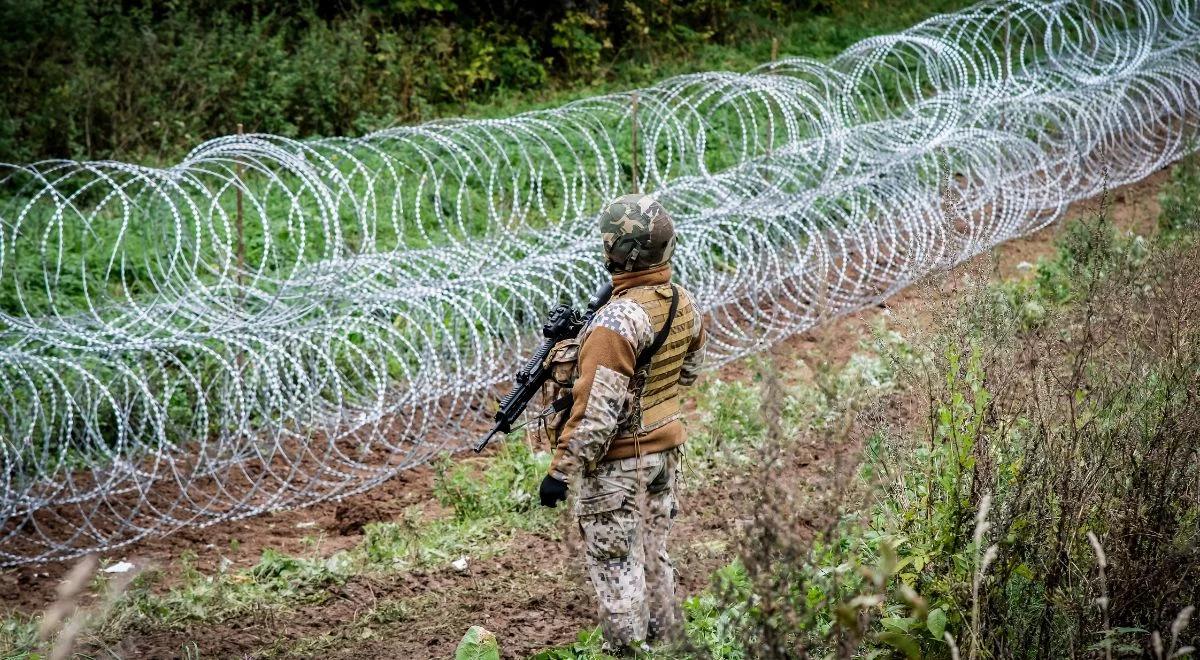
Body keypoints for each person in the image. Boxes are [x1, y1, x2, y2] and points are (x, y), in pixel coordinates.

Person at [537, 192, 707, 654]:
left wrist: (559, 474)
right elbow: (687, 375)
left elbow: (595, 418)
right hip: (664, 456)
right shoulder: (683, 303)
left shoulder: (616, 321)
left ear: (613, 252)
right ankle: (667, 643)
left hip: (618, 467)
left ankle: (629, 653)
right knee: (654, 554)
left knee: (616, 568)